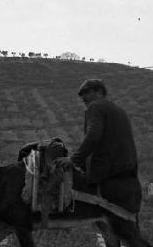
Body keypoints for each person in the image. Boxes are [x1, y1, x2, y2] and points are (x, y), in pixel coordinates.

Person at [56, 78, 140, 212]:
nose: (83, 97)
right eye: (81, 94)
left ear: (99, 91)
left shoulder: (96, 106)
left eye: (86, 92)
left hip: (107, 177)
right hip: (129, 177)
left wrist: (73, 160)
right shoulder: (119, 110)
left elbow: (93, 136)